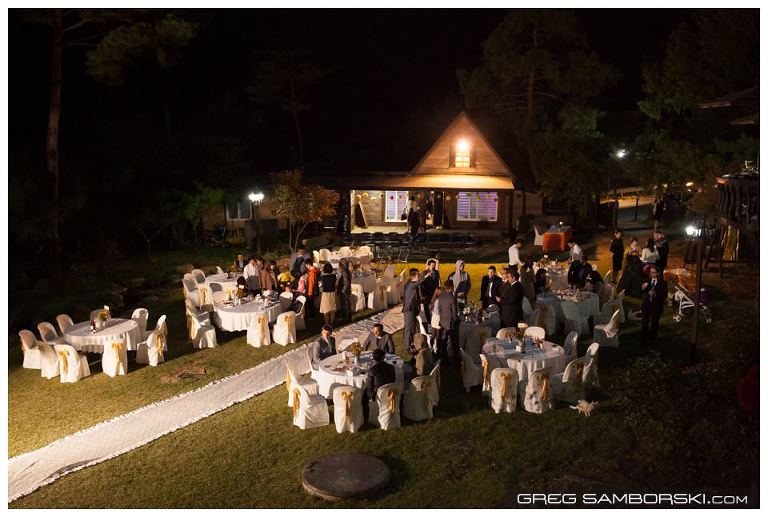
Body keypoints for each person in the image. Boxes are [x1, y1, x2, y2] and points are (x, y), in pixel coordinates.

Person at [365, 348, 396, 418]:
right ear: (383, 357)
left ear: (373, 358)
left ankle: (366, 413)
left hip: (379, 395)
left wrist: (371, 396)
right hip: (390, 392)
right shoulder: (391, 367)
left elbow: (369, 387)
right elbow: (394, 380)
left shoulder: (372, 370)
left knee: (364, 391)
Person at [641, 266, 668, 345]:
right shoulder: (646, 280)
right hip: (646, 305)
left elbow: (664, 295)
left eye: (653, 272)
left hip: (656, 306)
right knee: (644, 322)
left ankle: (653, 338)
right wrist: (642, 287)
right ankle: (644, 338)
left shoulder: (663, 283)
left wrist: (656, 294)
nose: (651, 274)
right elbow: (641, 291)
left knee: (654, 323)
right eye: (650, 272)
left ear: (658, 273)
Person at [436, 279, 458, 363]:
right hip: (451, 322)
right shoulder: (452, 297)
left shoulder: (441, 296)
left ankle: (444, 359)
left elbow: (439, 309)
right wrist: (456, 320)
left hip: (443, 321)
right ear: (451, 287)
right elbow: (454, 312)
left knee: (444, 341)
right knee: (454, 342)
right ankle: (456, 359)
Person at [402, 268, 421, 352]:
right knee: (409, 329)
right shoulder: (410, 284)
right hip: (409, 309)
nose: (419, 277)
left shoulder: (410, 283)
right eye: (418, 275)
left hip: (412, 308)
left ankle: (411, 343)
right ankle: (407, 347)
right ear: (415, 276)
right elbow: (421, 281)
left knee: (411, 327)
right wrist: (426, 275)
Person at [419, 259, 441, 324]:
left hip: (435, 292)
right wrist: (422, 295)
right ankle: (428, 320)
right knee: (426, 307)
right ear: (428, 266)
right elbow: (420, 283)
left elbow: (438, 281)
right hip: (426, 293)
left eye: (434, 265)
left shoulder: (436, 272)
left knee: (435, 306)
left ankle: (434, 320)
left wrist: (439, 290)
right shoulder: (424, 273)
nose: (433, 267)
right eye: (432, 265)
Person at [336, 258, 352, 324]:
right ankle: (345, 318)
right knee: (345, 305)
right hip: (345, 290)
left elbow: (346, 282)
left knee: (346, 305)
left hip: (345, 291)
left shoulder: (345, 271)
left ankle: (347, 319)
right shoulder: (346, 270)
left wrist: (343, 291)